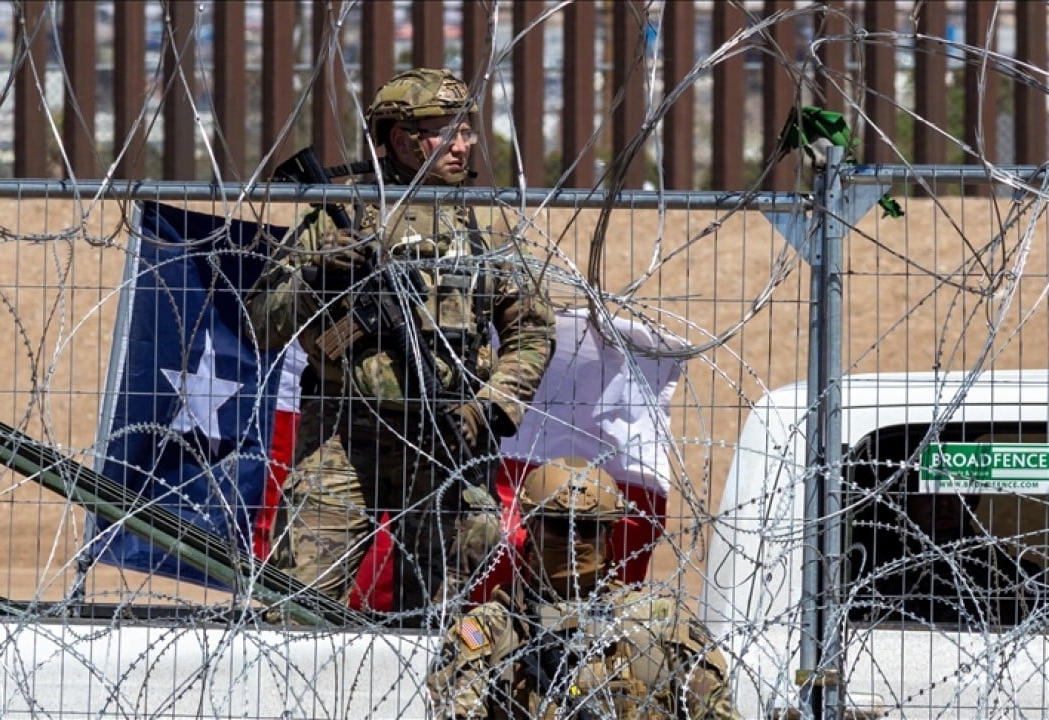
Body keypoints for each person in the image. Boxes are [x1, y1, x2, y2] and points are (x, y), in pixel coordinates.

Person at [245, 68, 556, 620]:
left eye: (468, 131)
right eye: (446, 131)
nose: (463, 144)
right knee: (296, 609)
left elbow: (530, 329)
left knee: (434, 620)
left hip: (443, 441)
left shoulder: (486, 229)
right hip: (344, 436)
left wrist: (489, 408)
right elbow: (259, 325)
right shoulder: (337, 216)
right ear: (399, 139)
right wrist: (316, 276)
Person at [428, 457, 740, 720]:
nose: (574, 540)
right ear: (531, 528)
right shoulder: (487, 631)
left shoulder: (662, 624)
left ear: (608, 535)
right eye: (559, 525)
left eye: (588, 527)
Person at [890, 492, 1042, 627]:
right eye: (928, 492)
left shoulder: (1018, 576)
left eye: (955, 491)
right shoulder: (887, 574)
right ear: (906, 498)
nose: (944, 503)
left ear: (974, 498)